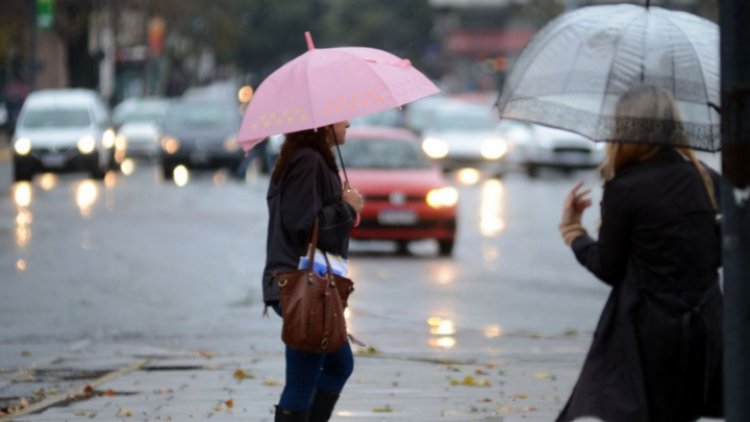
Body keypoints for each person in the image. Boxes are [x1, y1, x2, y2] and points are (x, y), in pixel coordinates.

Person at [556, 85, 723, 422]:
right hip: (705, 328)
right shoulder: (707, 179)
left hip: (646, 335)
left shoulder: (625, 188)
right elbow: (716, 254)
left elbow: (609, 267)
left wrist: (574, 233)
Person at [261, 121, 364, 421]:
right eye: (341, 117)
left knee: (336, 365)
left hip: (309, 285)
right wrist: (347, 207)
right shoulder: (308, 160)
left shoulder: (311, 158)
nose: (347, 122)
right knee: (306, 380)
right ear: (324, 124)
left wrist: (342, 204)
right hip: (301, 285)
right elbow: (302, 222)